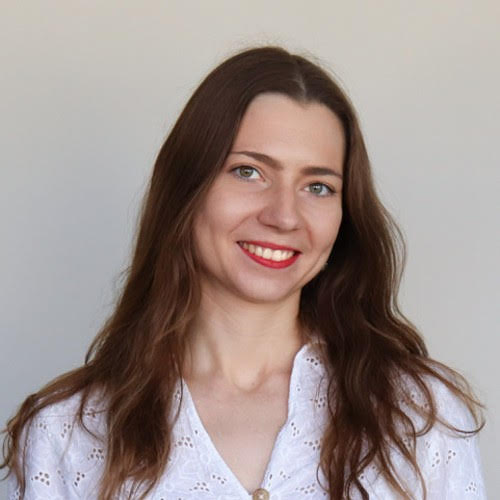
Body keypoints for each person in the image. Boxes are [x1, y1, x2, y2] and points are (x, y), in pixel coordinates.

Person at [1, 46, 486, 500]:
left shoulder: (420, 417)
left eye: (317, 186)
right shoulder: (67, 434)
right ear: (186, 189)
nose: (284, 216)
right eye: (249, 172)